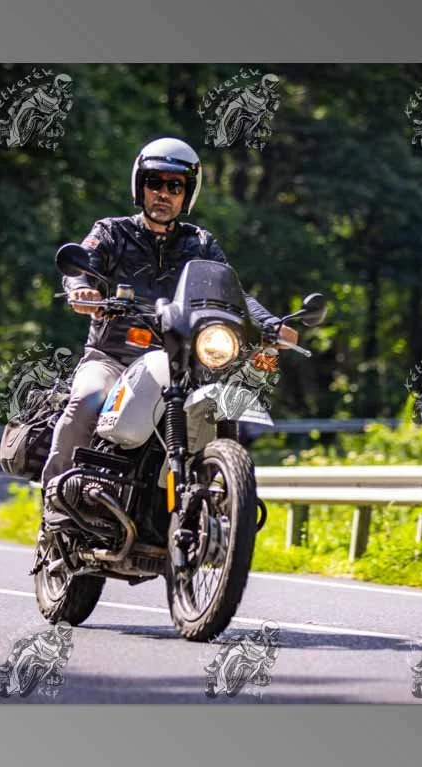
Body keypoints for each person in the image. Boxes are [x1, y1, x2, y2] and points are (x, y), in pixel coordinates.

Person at [40, 137, 297, 505]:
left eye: (175, 186)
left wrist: (271, 325)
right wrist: (82, 289)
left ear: (187, 194)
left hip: (180, 362)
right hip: (113, 358)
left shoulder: (201, 243)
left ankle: (222, 504)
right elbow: (82, 266)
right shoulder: (112, 232)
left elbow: (234, 294)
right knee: (86, 399)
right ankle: (56, 500)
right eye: (154, 183)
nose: (163, 193)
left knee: (223, 407)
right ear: (140, 186)